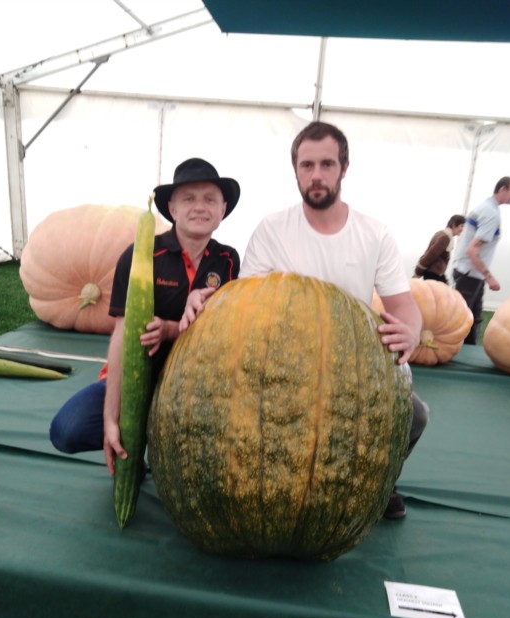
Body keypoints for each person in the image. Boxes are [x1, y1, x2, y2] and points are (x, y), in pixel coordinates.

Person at [185, 121, 428, 520]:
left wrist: (412, 331)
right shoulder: (272, 230)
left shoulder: (374, 234)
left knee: (415, 415)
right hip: (280, 365)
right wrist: (206, 299)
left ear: (344, 168)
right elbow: (245, 301)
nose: (316, 175)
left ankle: (378, 481)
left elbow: (403, 304)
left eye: (327, 164)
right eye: (307, 165)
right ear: (295, 170)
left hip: (352, 367)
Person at [50, 158, 241, 475]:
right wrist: (111, 418)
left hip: (195, 387)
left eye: (210, 199)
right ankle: (142, 437)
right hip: (138, 378)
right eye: (189, 199)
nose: (200, 207)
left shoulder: (228, 260)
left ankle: (163, 444)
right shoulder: (142, 255)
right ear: (172, 209)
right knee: (67, 430)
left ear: (222, 210)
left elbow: (226, 332)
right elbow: (122, 337)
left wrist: (171, 329)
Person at [452, 176, 510, 344]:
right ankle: (453, 351)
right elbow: (472, 250)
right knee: (461, 320)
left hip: (468, 272)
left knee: (473, 318)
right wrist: (490, 277)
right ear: (502, 189)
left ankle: (468, 350)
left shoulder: (486, 207)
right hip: (469, 275)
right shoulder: (491, 214)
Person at [413, 215, 466, 283]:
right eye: (461, 226)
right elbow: (431, 255)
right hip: (433, 274)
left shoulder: (442, 234)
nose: (463, 229)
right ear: (453, 225)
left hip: (434, 273)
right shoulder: (445, 237)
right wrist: (418, 272)